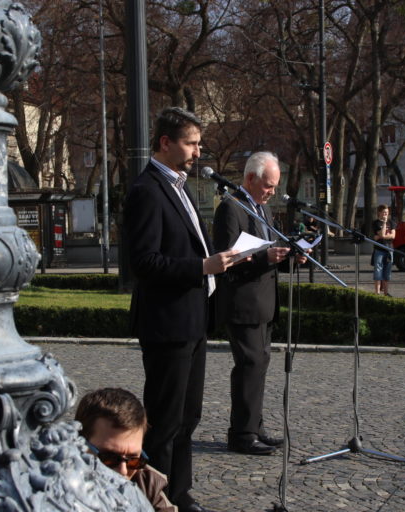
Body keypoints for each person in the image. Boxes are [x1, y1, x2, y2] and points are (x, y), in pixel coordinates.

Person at [124, 106, 239, 512]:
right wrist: (201, 267)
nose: (197, 151)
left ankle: (178, 492)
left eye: (198, 143)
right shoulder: (147, 190)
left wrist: (220, 259)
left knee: (188, 417)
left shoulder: (181, 186)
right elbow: (144, 262)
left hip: (193, 319)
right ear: (165, 142)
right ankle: (150, 497)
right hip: (166, 322)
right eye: (190, 143)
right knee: (163, 420)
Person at [213, 151, 306, 456]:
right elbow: (228, 259)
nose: (272, 192)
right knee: (249, 365)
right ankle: (241, 434)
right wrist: (265, 257)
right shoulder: (231, 208)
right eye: (268, 185)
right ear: (250, 179)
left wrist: (289, 256)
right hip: (243, 302)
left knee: (259, 366)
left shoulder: (261, 208)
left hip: (264, 302)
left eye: (275, 187)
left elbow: (267, 251)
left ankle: (255, 426)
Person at [76, 388, 178, 512]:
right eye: (109, 458)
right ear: (78, 446)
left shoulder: (148, 483)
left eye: (134, 460)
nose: (123, 471)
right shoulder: (53, 489)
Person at [371, 204, 396, 296]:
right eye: (384, 212)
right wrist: (384, 223)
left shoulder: (392, 222)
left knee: (387, 270)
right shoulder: (376, 223)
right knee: (378, 270)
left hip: (389, 249)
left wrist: (383, 236)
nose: (386, 214)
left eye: (387, 212)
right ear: (379, 213)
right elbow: (380, 234)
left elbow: (393, 236)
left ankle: (386, 292)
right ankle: (377, 292)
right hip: (379, 250)